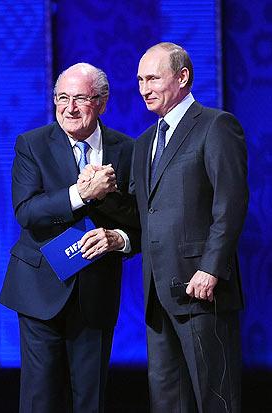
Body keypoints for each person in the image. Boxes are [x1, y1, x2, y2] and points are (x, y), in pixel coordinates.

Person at [0, 63, 139, 412]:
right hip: (39, 288)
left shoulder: (128, 149)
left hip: (96, 291)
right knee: (40, 399)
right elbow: (26, 212)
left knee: (90, 400)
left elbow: (142, 220)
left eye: (79, 98)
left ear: (102, 102)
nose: (69, 108)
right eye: (62, 98)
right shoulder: (31, 144)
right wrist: (81, 193)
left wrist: (119, 238)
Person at [131, 42, 248, 412]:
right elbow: (143, 211)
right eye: (139, 80)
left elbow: (230, 203)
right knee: (167, 401)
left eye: (153, 78)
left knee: (216, 398)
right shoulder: (144, 142)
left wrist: (211, 267)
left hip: (201, 291)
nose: (144, 88)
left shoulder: (216, 125)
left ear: (182, 77)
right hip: (158, 294)